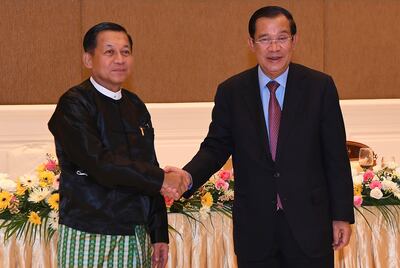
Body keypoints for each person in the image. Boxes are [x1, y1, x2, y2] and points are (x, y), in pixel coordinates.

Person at [165, 6, 354, 268]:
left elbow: (335, 155)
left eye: (282, 38)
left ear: (294, 41)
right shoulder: (232, 91)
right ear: (251, 43)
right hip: (256, 229)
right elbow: (215, 147)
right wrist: (187, 176)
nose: (274, 47)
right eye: (265, 39)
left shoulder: (319, 87)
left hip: (309, 225)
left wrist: (341, 215)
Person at [48, 22, 188, 268]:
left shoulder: (135, 105)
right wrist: (161, 179)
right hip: (89, 231)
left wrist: (158, 234)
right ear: (88, 59)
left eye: (125, 52)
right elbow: (100, 163)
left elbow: (148, 164)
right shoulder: (74, 104)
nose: (120, 59)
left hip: (135, 232)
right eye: (110, 51)